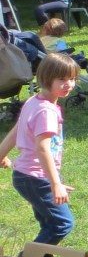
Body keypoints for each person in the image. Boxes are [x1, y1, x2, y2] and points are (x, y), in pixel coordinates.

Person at [0, 52, 78, 244]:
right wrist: (55, 184)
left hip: (27, 177)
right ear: (46, 78)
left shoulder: (34, 101)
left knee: (50, 224)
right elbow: (43, 148)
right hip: (36, 178)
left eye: (72, 79)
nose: (69, 84)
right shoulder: (46, 111)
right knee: (62, 223)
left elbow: (17, 130)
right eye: (62, 79)